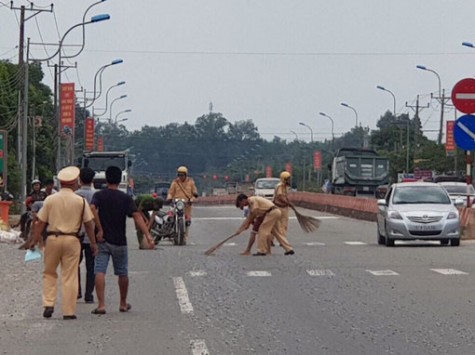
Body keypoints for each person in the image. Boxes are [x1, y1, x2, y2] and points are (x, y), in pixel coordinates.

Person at [28, 166, 97, 320]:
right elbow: (89, 224)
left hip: (53, 239)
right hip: (73, 240)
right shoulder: (80, 201)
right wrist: (93, 243)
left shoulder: (50, 199)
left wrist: (34, 240)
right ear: (75, 183)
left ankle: (49, 303)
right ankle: (68, 311)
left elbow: (40, 222)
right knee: (70, 275)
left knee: (50, 272)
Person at [90, 166, 154, 315]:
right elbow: (137, 216)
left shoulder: (99, 195)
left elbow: (92, 208)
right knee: (122, 272)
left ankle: (101, 305)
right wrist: (148, 235)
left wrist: (99, 228)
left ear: (106, 179)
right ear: (120, 180)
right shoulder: (125, 198)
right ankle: (123, 303)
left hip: (102, 240)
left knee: (99, 271)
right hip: (119, 241)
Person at [75, 167, 97, 304]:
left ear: (80, 179)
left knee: (74, 264)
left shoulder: (74, 195)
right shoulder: (96, 195)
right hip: (91, 234)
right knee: (91, 266)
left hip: (75, 233)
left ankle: (76, 290)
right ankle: (89, 294)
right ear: (92, 180)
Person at [166, 166, 198, 242]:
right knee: (170, 217)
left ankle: (184, 237)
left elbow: (194, 193)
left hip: (186, 205)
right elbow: (170, 193)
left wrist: (191, 200)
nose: (181, 177)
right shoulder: (175, 182)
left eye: (182, 175)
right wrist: (169, 198)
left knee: (187, 222)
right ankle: (170, 230)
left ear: (186, 175)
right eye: (179, 175)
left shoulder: (191, 182)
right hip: (176, 204)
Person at [273, 171, 292, 241]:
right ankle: (271, 239)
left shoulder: (286, 187)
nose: (289, 180)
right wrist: (288, 202)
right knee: (276, 224)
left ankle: (283, 239)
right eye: (288, 179)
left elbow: (285, 196)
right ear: (284, 179)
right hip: (278, 207)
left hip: (284, 208)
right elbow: (280, 196)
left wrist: (288, 202)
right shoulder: (279, 186)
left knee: (284, 224)